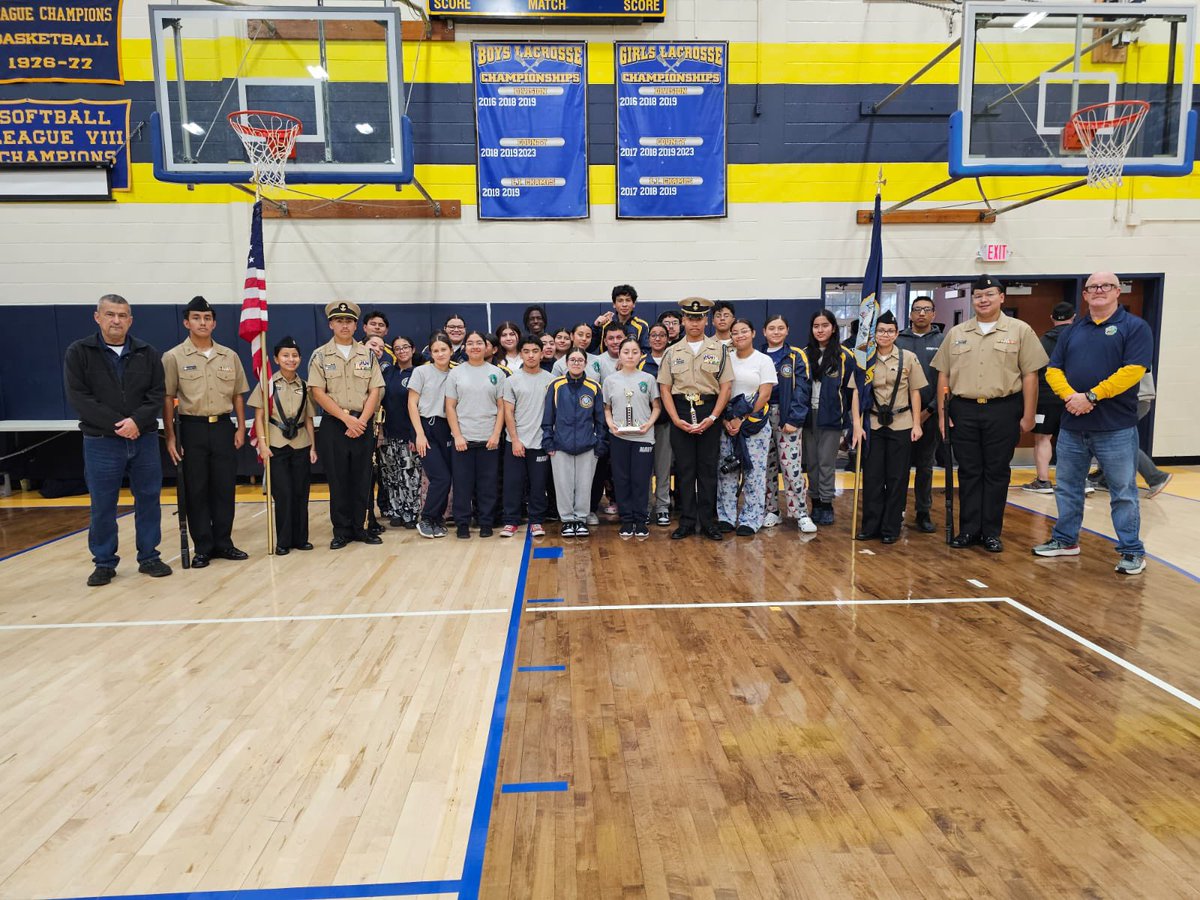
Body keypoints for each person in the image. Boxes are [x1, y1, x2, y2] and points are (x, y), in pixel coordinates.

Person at [1033, 272, 1154, 575]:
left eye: (1106, 286)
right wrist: (1071, 397)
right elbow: (1053, 370)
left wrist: (1092, 396)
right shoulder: (1073, 331)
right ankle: (1065, 541)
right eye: (1092, 287)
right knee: (1068, 487)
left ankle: (1131, 551)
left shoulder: (1135, 328)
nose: (1099, 291)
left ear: (1117, 292)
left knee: (1123, 492)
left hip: (1115, 426)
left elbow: (1133, 371)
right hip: (1073, 426)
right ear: (1084, 295)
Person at [932, 275, 1048, 553]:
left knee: (996, 472)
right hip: (963, 409)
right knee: (969, 472)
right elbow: (943, 375)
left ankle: (991, 532)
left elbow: (1030, 375)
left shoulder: (1020, 331)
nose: (983, 300)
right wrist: (941, 414)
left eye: (989, 294)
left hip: (1003, 409)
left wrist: (1029, 414)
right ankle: (968, 530)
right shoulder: (957, 333)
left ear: (1002, 297)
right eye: (978, 295)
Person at [65, 293, 171, 586]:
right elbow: (79, 397)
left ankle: (149, 556)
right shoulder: (80, 352)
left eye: (122, 315)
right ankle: (104, 562)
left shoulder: (146, 352)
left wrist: (137, 421)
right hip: (101, 441)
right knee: (103, 503)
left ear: (130, 320)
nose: (116, 320)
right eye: (110, 314)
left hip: (144, 438)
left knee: (149, 498)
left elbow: (156, 394)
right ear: (97, 317)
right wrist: (119, 425)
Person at [163, 295, 249, 568]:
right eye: (197, 318)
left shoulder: (229, 356)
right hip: (192, 428)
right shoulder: (174, 356)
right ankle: (203, 546)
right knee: (197, 489)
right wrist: (171, 436)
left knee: (224, 488)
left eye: (207, 318)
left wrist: (240, 427)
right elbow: (167, 398)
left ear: (214, 323)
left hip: (223, 426)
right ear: (187, 322)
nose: (203, 322)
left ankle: (224, 542)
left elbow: (238, 394)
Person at [308, 300, 385, 550]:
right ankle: (341, 530)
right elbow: (318, 392)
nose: (344, 325)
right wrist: (346, 419)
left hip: (362, 424)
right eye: (339, 320)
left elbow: (376, 389)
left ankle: (360, 527)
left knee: (363, 478)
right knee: (338, 479)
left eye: (349, 321)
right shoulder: (320, 355)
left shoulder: (367, 354)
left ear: (356, 326)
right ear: (331, 324)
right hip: (334, 424)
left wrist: (361, 420)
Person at [656, 297, 735, 541]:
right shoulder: (672, 352)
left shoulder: (719, 350)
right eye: (690, 318)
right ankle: (688, 521)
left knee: (708, 469)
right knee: (685, 470)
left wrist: (713, 417)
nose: (694, 322)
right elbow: (665, 390)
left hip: (709, 411)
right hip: (680, 413)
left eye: (699, 318)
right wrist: (675, 419)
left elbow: (725, 387)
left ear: (706, 320)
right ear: (683, 320)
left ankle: (708, 521)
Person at [856, 312, 927, 544]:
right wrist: (857, 424)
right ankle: (871, 525)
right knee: (873, 476)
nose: (885, 335)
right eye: (880, 331)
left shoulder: (908, 358)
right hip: (874, 424)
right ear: (874, 334)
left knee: (897, 477)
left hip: (902, 423)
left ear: (897, 334)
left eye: (889, 331)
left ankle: (891, 527)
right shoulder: (865, 358)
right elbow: (856, 392)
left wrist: (917, 424)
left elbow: (915, 392)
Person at [249, 336, 316, 555]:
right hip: (276, 444)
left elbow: (308, 419)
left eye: (295, 355)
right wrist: (262, 444)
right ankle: (283, 541)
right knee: (284, 494)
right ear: (276, 359)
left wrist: (313, 447)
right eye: (285, 356)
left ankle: (301, 538)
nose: (291, 359)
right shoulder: (267, 385)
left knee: (300, 493)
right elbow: (259, 417)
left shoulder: (305, 386)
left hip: (301, 444)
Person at [800, 309, 863, 526]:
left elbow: (851, 391)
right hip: (808, 417)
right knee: (811, 463)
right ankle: (815, 501)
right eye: (816, 326)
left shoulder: (845, 355)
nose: (820, 330)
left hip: (831, 416)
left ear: (833, 328)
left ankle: (826, 503)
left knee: (826, 462)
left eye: (824, 325)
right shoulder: (803, 354)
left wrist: (849, 421)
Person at [717, 319, 777, 535]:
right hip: (727, 425)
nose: (739, 335)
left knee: (754, 473)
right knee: (727, 471)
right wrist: (725, 420)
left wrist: (742, 418)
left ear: (753, 333)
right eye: (735, 332)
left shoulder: (763, 360)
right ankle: (725, 517)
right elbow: (720, 392)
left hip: (754, 426)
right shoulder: (726, 360)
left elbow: (765, 393)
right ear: (730, 336)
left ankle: (751, 519)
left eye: (744, 331)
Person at [446, 330, 505, 538]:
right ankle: (463, 523)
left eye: (479, 343)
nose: (474, 347)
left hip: (488, 438)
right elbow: (450, 407)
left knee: (487, 484)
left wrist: (496, 434)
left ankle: (486, 522)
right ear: (465, 347)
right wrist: (458, 435)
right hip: (463, 439)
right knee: (462, 484)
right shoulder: (456, 373)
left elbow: (501, 408)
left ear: (487, 346)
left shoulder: (497, 373)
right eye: (470, 343)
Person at [759, 314, 816, 534]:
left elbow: (803, 389)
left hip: (787, 417)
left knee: (791, 468)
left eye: (780, 328)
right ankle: (772, 510)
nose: (776, 332)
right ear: (764, 332)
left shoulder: (795, 356)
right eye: (771, 328)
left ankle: (800, 513)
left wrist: (794, 418)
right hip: (761, 417)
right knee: (766, 467)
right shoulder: (758, 355)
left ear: (787, 331)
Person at [543, 347, 607, 537]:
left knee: (584, 484)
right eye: (573, 360)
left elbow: (600, 419)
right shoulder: (556, 385)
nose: (576, 363)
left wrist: (600, 443)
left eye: (580, 360)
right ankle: (567, 520)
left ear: (585, 363)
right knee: (563, 484)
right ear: (566, 363)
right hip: (560, 445)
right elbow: (548, 416)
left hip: (588, 445)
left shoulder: (594, 387)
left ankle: (580, 518)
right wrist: (549, 441)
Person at [895, 295, 945, 531]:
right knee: (899, 467)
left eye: (926, 309)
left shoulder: (942, 341)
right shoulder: (898, 341)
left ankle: (923, 512)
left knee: (925, 466)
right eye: (917, 309)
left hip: (931, 415)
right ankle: (897, 510)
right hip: (900, 416)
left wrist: (930, 410)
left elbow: (946, 380)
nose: (922, 313)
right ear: (911, 314)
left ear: (934, 314)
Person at [603, 337, 661, 539]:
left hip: (643, 437)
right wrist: (610, 424)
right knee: (622, 479)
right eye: (626, 351)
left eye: (634, 352)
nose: (630, 355)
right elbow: (607, 408)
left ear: (640, 355)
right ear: (619, 354)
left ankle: (640, 519)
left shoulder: (648, 379)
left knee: (641, 480)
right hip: (619, 437)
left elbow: (656, 407)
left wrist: (649, 424)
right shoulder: (610, 380)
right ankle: (627, 520)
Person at [501, 337, 554, 539]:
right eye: (526, 351)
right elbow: (508, 412)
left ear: (542, 353)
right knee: (513, 483)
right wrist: (515, 439)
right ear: (521, 353)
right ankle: (511, 521)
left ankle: (536, 520)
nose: (531, 355)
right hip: (515, 442)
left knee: (538, 484)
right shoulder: (511, 380)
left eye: (535, 351)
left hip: (540, 443)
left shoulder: (550, 380)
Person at [1088, 372, 1173, 497]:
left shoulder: (1128, 353)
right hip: (1130, 398)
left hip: (1135, 398)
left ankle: (1156, 477)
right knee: (1108, 436)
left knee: (1119, 439)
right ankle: (1105, 476)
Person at [410, 332, 455, 538]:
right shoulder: (421, 372)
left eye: (443, 349)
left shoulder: (456, 373)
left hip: (447, 428)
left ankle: (437, 519)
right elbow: (411, 403)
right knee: (440, 477)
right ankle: (427, 518)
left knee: (448, 477)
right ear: (431, 353)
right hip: (426, 427)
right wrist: (419, 434)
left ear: (451, 350)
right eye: (435, 350)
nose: (440, 353)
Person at [377, 335, 422, 529]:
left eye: (405, 347)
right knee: (391, 475)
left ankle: (410, 512)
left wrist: (415, 435)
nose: (402, 351)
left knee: (409, 475)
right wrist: (379, 432)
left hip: (408, 434)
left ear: (413, 349)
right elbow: (379, 403)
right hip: (388, 433)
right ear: (393, 352)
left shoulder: (419, 373)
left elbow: (420, 407)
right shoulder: (387, 373)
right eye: (397, 348)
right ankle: (395, 511)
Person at [640, 323, 675, 525]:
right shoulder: (641, 362)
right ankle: (644, 506)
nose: (658, 338)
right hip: (644, 426)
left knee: (663, 467)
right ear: (648, 338)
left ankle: (662, 506)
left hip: (666, 423)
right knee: (644, 469)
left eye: (662, 335)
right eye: (653, 335)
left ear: (667, 338)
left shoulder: (674, 361)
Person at [592, 283, 649, 352]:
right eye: (620, 301)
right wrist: (595, 326)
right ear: (614, 304)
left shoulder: (642, 326)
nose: (624, 305)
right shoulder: (604, 324)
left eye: (628, 300)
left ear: (634, 304)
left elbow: (645, 352)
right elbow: (590, 348)